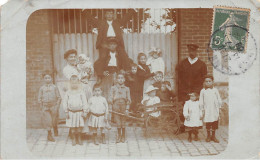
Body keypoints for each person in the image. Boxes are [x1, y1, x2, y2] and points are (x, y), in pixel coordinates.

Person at [177, 44, 207, 133]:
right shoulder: (183, 63)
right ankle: (182, 127)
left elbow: (203, 79)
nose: (192, 53)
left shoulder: (202, 64)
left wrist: (198, 91)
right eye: (190, 51)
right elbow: (179, 77)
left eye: (193, 51)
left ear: (197, 52)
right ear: (188, 51)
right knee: (184, 108)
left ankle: (195, 129)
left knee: (195, 109)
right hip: (184, 91)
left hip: (196, 91)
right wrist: (181, 89)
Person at [63, 75, 88, 146]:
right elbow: (65, 102)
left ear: (79, 83)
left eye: (76, 83)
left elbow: (84, 102)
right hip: (71, 112)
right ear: (70, 83)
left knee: (79, 127)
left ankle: (79, 138)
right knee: (73, 127)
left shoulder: (81, 92)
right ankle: (74, 138)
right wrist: (66, 111)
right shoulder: (68, 92)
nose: (74, 85)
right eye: (72, 83)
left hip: (79, 112)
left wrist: (84, 111)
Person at [38, 71, 61, 142]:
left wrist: (57, 106)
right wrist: (41, 105)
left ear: (51, 79)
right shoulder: (42, 88)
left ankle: (55, 127)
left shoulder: (54, 87)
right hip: (45, 107)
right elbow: (39, 98)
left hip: (53, 106)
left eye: (49, 78)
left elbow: (59, 97)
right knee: (48, 121)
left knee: (54, 120)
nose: (47, 79)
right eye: (45, 78)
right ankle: (49, 134)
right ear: (43, 79)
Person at [108, 72, 131, 143]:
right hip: (116, 105)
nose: (120, 80)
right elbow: (110, 98)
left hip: (123, 105)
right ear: (116, 80)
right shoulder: (113, 88)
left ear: (124, 80)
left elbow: (129, 100)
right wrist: (110, 107)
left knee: (123, 121)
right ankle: (118, 135)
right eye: (119, 78)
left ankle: (123, 136)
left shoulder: (127, 89)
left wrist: (127, 108)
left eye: (122, 78)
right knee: (118, 121)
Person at [199, 75, 222, 143]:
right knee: (208, 122)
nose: (208, 83)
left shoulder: (215, 90)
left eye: (209, 81)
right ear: (204, 82)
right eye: (206, 81)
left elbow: (219, 99)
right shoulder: (203, 91)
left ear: (212, 82)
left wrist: (219, 107)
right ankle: (208, 136)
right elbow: (201, 100)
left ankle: (213, 136)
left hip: (214, 108)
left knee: (214, 121)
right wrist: (202, 109)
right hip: (207, 109)